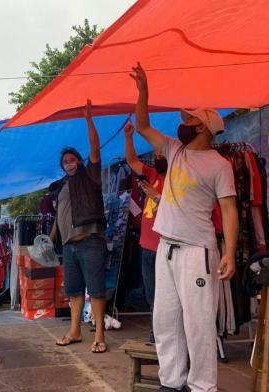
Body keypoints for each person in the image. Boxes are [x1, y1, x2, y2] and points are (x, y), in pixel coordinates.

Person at [130, 62, 239, 392]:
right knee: (165, 321)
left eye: (190, 120)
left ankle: (203, 386)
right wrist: (144, 91)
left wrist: (230, 253)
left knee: (198, 324)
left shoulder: (220, 165)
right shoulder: (173, 150)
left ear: (204, 127)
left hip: (197, 252)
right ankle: (171, 382)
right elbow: (143, 126)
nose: (183, 123)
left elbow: (230, 210)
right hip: (166, 247)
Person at [50, 99, 108, 353]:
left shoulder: (90, 175)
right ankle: (75, 331)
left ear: (80, 161)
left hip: (90, 240)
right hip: (69, 247)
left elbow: (95, 148)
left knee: (95, 290)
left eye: (72, 160)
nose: (69, 163)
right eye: (65, 162)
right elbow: (60, 215)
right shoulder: (61, 186)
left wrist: (88, 120)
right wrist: (51, 237)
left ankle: (99, 335)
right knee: (73, 291)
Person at [123, 120, 167, 343]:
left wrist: (154, 196)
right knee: (151, 295)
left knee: (166, 295)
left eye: (162, 153)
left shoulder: (176, 179)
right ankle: (155, 332)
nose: (158, 155)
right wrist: (129, 137)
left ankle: (166, 335)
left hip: (165, 248)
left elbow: (179, 209)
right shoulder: (151, 173)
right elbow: (131, 160)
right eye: (156, 152)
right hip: (146, 246)